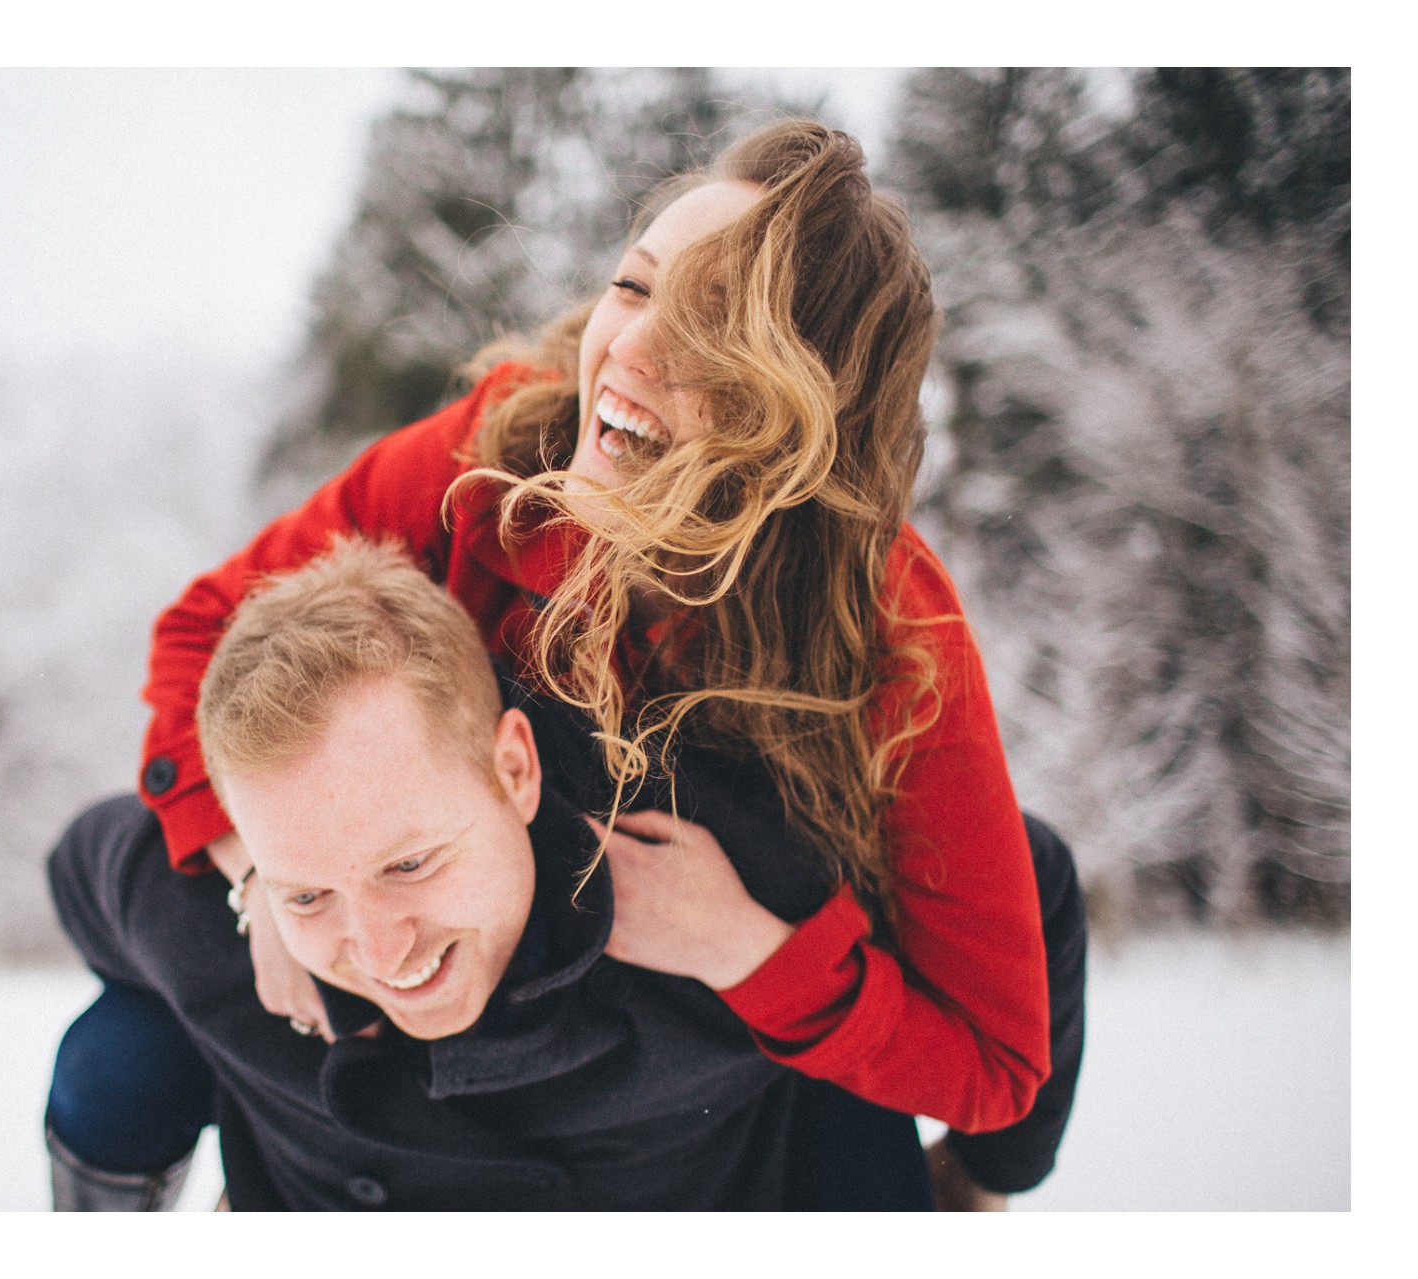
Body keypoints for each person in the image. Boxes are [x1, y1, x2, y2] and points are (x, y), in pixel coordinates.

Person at [125, 116, 1085, 1204]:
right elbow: (205, 636)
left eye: (712, 332)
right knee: (128, 1024)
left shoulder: (893, 635)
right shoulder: (489, 458)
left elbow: (998, 1066)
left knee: (1034, 876)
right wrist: (267, 884)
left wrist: (745, 948)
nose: (628, 350)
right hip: (490, 995)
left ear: (805, 410)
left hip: (759, 1051)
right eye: (635, 288)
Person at [48, 539, 946, 1209]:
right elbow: (81, 869)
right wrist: (255, 893)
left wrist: (984, 1181)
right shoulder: (235, 905)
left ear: (514, 769)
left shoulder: (720, 883)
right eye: (311, 892)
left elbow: (1036, 888)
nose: (378, 948)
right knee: (119, 1046)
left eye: (410, 862)